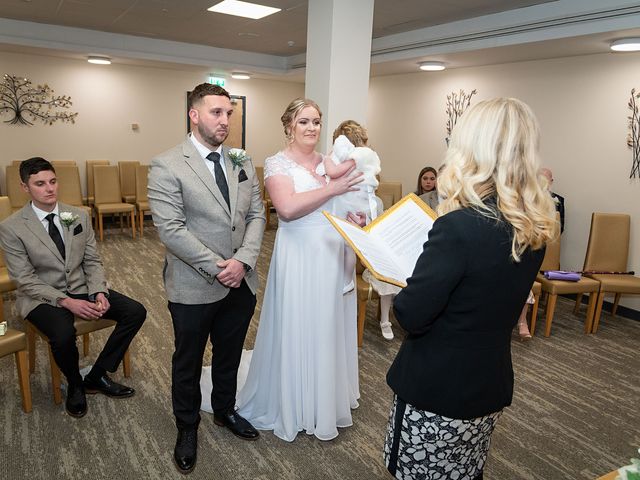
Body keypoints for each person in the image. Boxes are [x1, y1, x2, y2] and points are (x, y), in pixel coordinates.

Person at [383, 98, 557, 479]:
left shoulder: (459, 226)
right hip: (485, 380)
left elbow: (412, 313)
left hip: (437, 386)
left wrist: (411, 277)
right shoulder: (534, 227)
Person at [147, 83, 265, 474]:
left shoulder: (242, 161)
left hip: (240, 281)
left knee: (229, 353)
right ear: (193, 114)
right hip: (194, 283)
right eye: (216, 112)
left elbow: (256, 216)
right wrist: (220, 266)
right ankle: (186, 427)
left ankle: (224, 410)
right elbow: (171, 230)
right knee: (188, 360)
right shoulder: (167, 164)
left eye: (229, 113)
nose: (225, 121)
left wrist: (243, 262)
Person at [236, 98, 363, 442]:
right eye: (304, 121)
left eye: (317, 122)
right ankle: (293, 403)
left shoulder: (329, 162)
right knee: (299, 321)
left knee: (325, 324)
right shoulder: (277, 163)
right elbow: (288, 209)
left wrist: (354, 216)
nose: (312, 128)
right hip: (298, 254)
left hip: (330, 253)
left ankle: (322, 401)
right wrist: (332, 188)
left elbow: (340, 204)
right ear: (290, 126)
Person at [0, 157, 146, 419]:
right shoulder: (11, 227)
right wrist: (66, 302)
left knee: (135, 311)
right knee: (63, 333)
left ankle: (97, 375)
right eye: (40, 184)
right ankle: (75, 384)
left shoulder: (77, 215)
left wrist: (99, 290)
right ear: (25, 187)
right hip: (40, 296)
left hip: (81, 286)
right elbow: (24, 279)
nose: (50, 189)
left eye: (53, 181)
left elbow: (92, 260)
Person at [329, 120, 400, 340]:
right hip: (337, 244)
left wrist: (363, 226)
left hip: (362, 249)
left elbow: (374, 230)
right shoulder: (336, 183)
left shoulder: (372, 201)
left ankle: (383, 318)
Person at [540, 167, 565, 233]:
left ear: (551, 181)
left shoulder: (559, 200)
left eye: (546, 179)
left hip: (552, 237)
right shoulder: (529, 198)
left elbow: (561, 227)